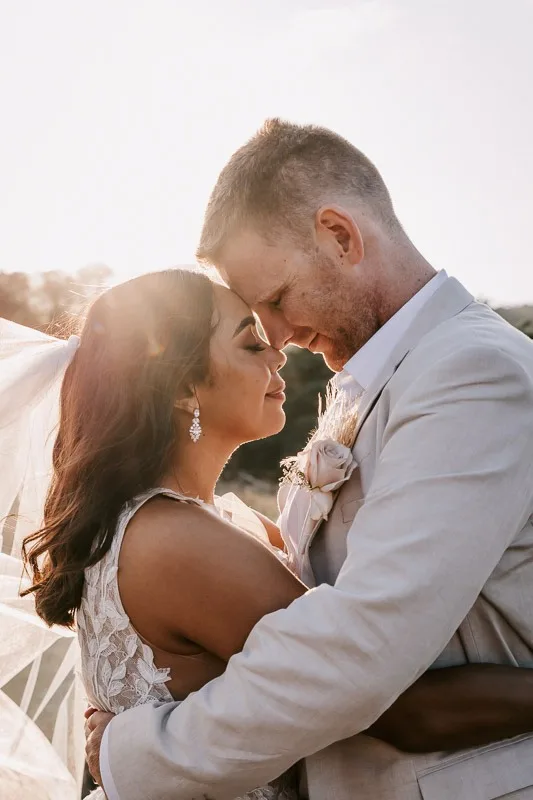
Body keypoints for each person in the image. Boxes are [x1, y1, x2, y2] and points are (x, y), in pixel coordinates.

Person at [85, 120, 533, 800]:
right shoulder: (376, 378)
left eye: (273, 300)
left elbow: (362, 641)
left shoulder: (469, 370)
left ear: (341, 236)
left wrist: (143, 755)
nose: (280, 337)